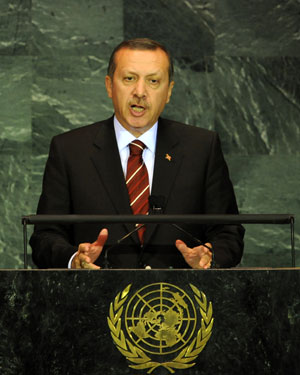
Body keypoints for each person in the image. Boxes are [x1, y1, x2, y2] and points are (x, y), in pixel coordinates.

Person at [30, 38, 244, 270]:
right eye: (129, 79)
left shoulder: (201, 148)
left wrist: (209, 256)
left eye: (153, 81)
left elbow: (228, 232)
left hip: (180, 301)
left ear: (169, 91)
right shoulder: (70, 150)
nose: (140, 92)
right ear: (110, 85)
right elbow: (45, 237)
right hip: (94, 300)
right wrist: (74, 260)